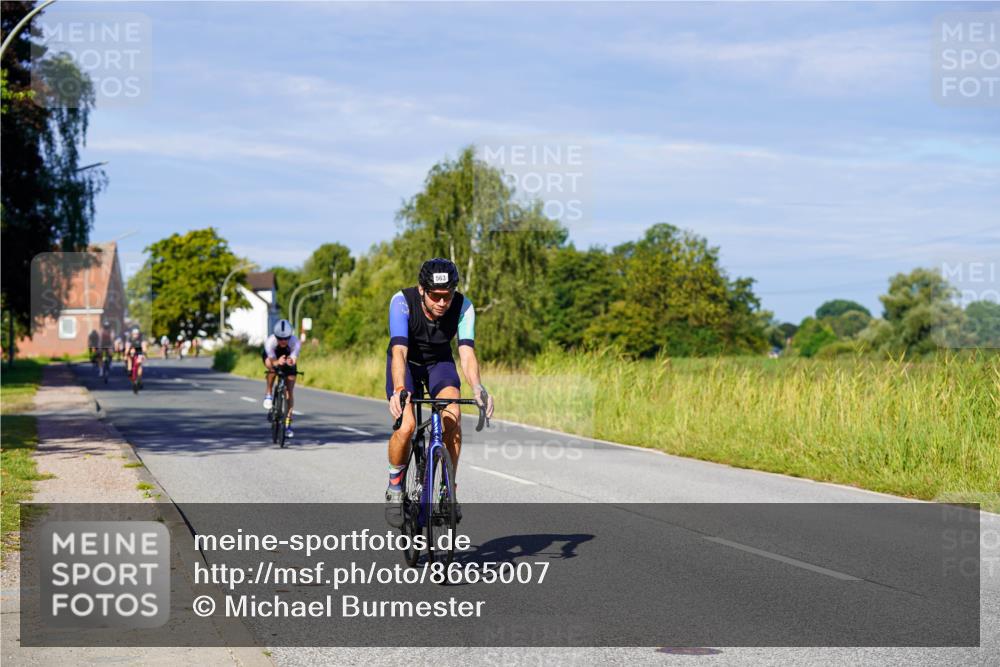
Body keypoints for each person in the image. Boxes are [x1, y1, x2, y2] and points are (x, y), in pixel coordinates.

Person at [384, 258, 494, 528]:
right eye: (436, 295)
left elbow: (466, 353)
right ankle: (395, 486)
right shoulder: (401, 301)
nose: (443, 302)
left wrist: (478, 387)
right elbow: (399, 349)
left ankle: (447, 490)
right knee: (407, 425)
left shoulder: (464, 307)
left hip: (439, 363)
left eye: (448, 296)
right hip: (407, 363)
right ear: (422, 289)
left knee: (452, 417)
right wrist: (399, 389)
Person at [262, 319, 300, 439]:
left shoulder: (295, 342)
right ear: (276, 336)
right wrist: (277, 362)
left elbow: (294, 359)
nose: (283, 341)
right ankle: (268, 393)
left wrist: (290, 361)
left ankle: (288, 424)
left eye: (286, 338)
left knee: (289, 391)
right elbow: (272, 360)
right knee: (271, 368)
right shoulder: (270, 342)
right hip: (273, 357)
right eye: (280, 338)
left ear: (290, 336)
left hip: (288, 358)